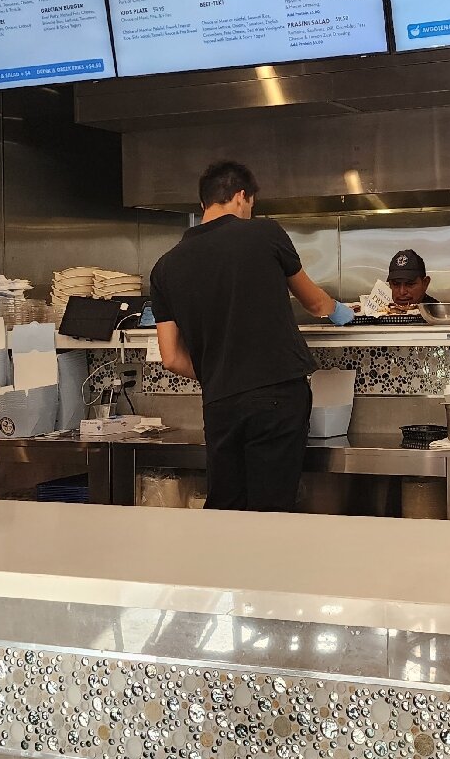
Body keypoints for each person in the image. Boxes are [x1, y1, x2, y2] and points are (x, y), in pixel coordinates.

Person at [150, 161, 354, 512]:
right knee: (271, 508)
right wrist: (340, 312)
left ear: (203, 204)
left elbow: (170, 357)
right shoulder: (264, 233)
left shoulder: (165, 267)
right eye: (251, 204)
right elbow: (315, 303)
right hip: (276, 396)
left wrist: (221, 373)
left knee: (227, 506)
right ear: (241, 196)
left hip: (219, 403)